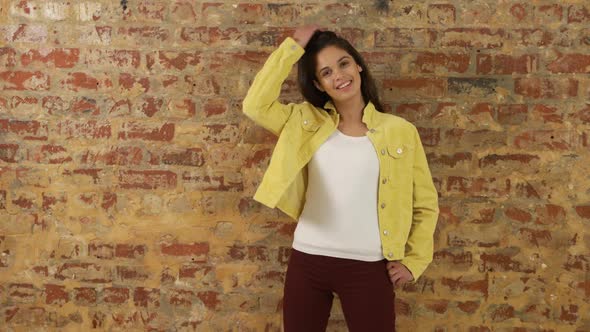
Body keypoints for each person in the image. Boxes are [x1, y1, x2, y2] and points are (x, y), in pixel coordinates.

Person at [242, 25, 439, 332]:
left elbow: (425, 203)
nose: (339, 75)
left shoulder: (399, 131)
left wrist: (414, 261)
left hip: (370, 267)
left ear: (358, 65)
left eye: (344, 63)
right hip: (308, 259)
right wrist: (292, 47)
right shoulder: (305, 121)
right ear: (319, 85)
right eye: (326, 72)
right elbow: (255, 105)